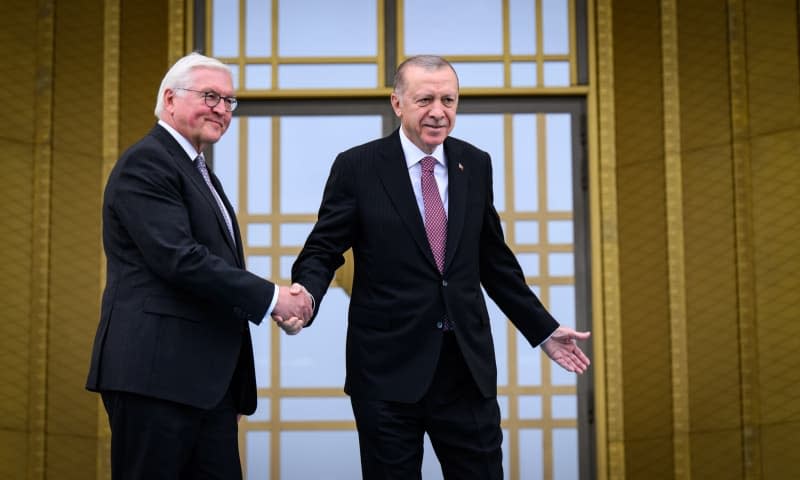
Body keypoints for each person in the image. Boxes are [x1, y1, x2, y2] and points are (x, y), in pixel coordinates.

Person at [285, 55, 591, 479]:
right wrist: (306, 295)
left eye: (448, 99)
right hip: (387, 372)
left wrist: (542, 329)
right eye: (425, 99)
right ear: (397, 104)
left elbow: (494, 262)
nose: (438, 111)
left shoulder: (475, 163)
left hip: (466, 370)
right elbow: (323, 249)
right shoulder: (358, 167)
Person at [85, 52, 312, 479]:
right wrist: (273, 298)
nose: (222, 110)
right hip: (156, 377)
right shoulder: (147, 162)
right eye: (210, 96)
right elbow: (179, 258)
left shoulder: (196, 170)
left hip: (204, 384)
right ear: (169, 99)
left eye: (229, 102)